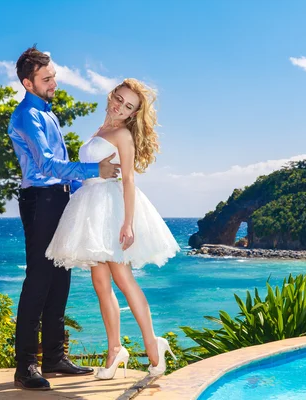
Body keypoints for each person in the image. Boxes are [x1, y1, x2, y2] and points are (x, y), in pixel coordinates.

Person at [46, 78, 180, 380]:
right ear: (112, 95)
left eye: (128, 106)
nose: (120, 106)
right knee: (100, 282)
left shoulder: (122, 134)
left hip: (110, 208)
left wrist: (128, 223)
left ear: (133, 114)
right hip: (90, 207)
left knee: (122, 277)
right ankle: (114, 349)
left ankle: (152, 345)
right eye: (119, 99)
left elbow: (129, 180)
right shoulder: (100, 130)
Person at [7, 45, 121, 391]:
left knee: (60, 278)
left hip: (59, 199)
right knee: (39, 280)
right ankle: (25, 365)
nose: (54, 82)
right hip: (40, 201)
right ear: (28, 83)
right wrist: (94, 169)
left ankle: (54, 357)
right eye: (46, 78)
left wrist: (91, 186)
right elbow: (46, 167)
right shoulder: (27, 115)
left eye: (54, 75)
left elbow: (62, 170)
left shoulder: (48, 113)